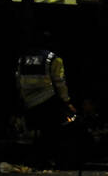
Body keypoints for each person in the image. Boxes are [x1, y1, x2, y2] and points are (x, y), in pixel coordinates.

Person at [16, 34, 77, 166]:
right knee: (51, 131)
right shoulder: (53, 58)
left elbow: (18, 80)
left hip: (29, 101)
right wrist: (66, 102)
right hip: (47, 99)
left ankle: (36, 159)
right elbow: (59, 82)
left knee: (35, 132)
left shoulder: (23, 58)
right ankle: (53, 159)